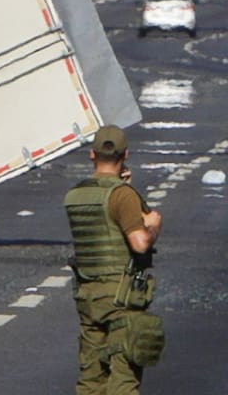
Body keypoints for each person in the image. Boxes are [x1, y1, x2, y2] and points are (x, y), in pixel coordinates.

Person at [64, 125, 163, 395]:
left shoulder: (75, 196)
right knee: (123, 377)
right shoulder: (123, 195)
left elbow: (104, 218)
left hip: (87, 295)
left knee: (91, 378)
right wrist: (153, 224)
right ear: (126, 154)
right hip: (121, 297)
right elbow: (139, 242)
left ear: (92, 155)